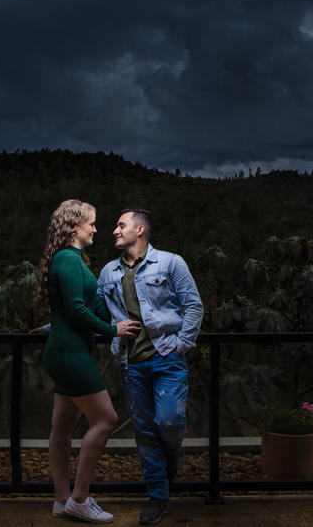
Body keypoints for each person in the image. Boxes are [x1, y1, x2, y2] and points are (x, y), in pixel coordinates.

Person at [33, 199, 142, 524]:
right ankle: (79, 498)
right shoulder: (67, 259)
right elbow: (76, 310)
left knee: (62, 428)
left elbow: (78, 308)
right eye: (91, 223)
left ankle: (61, 499)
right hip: (70, 354)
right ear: (73, 226)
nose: (96, 229)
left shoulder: (74, 260)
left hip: (66, 349)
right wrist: (114, 329)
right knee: (106, 419)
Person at [98, 207, 203, 525]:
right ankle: (158, 496)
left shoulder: (171, 262)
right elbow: (89, 311)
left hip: (167, 359)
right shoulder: (108, 273)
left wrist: (180, 345)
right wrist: (50, 329)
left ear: (140, 230)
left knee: (169, 421)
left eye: (120, 225)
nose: (115, 231)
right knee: (145, 432)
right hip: (131, 364)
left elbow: (193, 305)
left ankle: (171, 463)